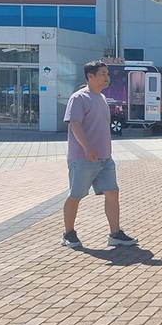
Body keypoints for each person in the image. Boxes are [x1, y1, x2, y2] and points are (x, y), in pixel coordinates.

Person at [60, 60, 138, 249]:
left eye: (107, 73)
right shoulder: (79, 98)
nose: (107, 77)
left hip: (105, 158)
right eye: (103, 73)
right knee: (76, 195)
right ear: (90, 76)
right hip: (82, 158)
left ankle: (115, 233)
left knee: (112, 192)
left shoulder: (102, 98)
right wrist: (87, 147)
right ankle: (68, 233)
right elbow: (74, 123)